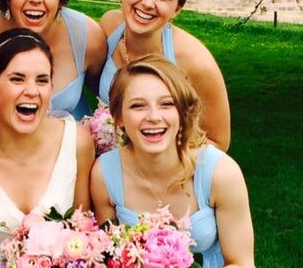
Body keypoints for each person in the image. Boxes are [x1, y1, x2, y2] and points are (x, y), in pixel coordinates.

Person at [91, 55, 254, 268]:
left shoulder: (221, 173)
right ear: (119, 116)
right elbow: (108, 258)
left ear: (182, 111)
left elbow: (242, 262)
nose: (153, 116)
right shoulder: (104, 174)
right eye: (138, 106)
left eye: (167, 104)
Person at [0, 29, 95, 267]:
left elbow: (82, 235)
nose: (32, 91)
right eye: (17, 79)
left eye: (42, 80)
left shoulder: (77, 142)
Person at [98, 0, 230, 150]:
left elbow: (219, 142)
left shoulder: (195, 61)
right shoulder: (109, 26)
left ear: (177, 9)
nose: (148, 3)